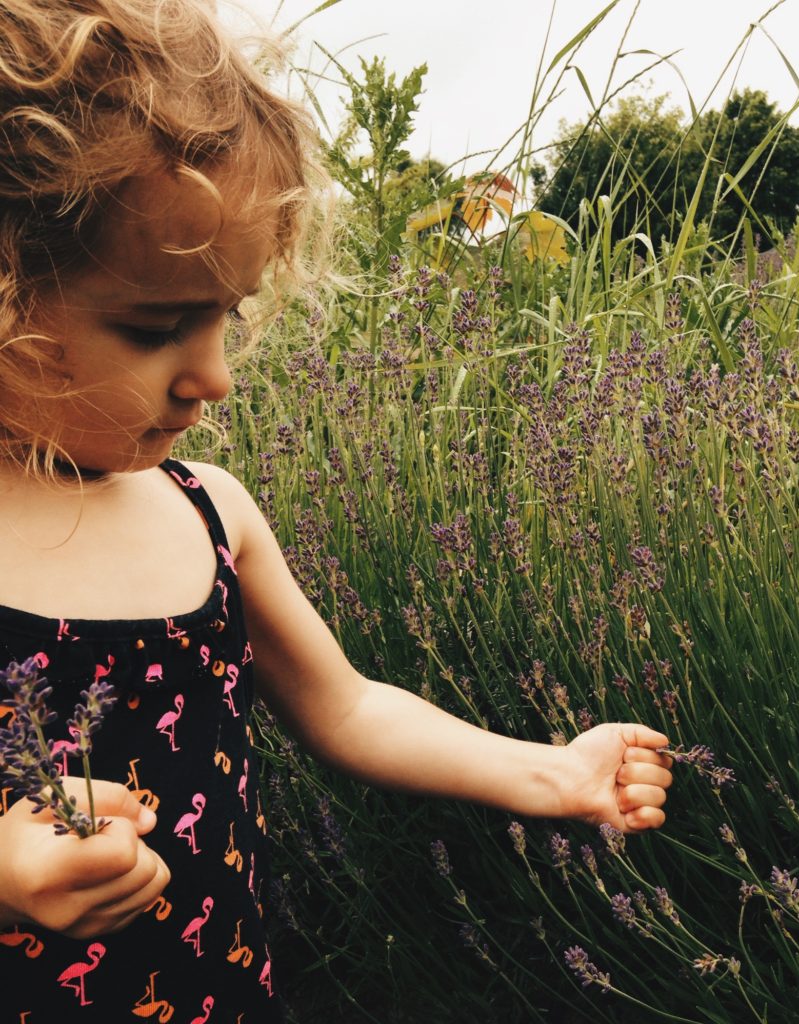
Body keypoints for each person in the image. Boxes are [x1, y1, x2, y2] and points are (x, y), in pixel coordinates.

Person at [0, 0, 674, 1019]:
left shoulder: (211, 514)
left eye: (227, 318)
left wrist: (553, 774)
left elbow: (348, 707)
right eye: (155, 326)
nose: (215, 377)